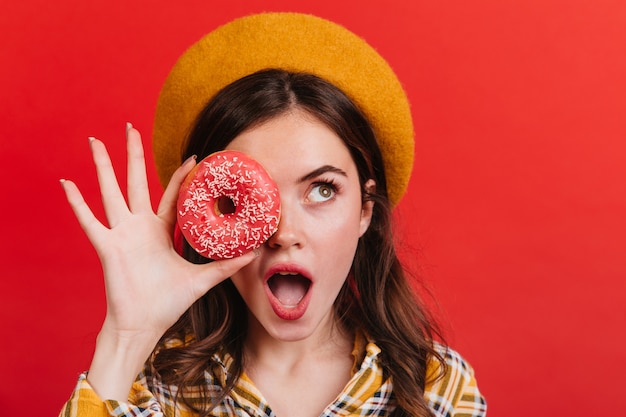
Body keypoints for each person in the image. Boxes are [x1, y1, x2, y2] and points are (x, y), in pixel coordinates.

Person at [59, 13, 486, 417]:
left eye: (322, 189)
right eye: (243, 199)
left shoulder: (436, 389)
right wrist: (126, 339)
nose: (282, 233)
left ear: (365, 211)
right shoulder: (148, 385)